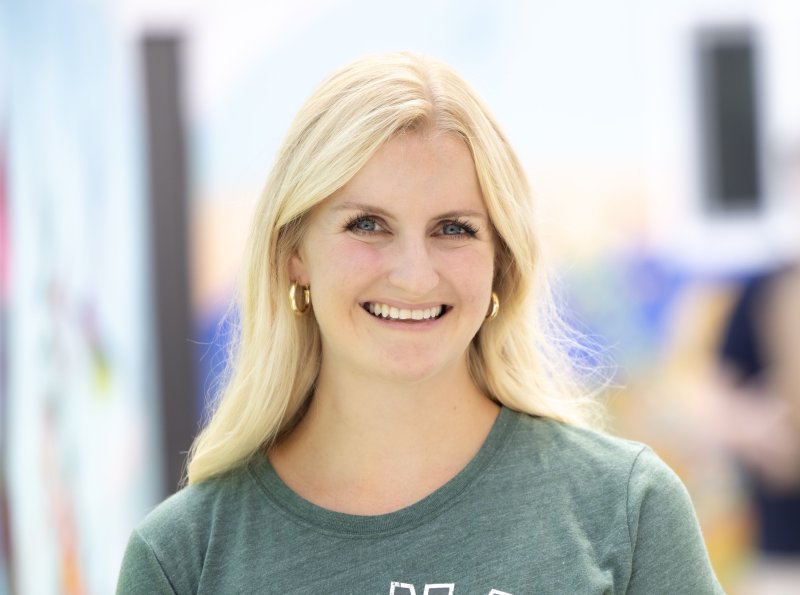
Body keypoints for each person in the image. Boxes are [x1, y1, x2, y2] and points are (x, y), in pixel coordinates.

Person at [116, 52, 722, 594]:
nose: (414, 275)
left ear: (499, 262)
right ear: (293, 254)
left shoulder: (626, 509)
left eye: (453, 229)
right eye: (367, 225)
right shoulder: (183, 559)